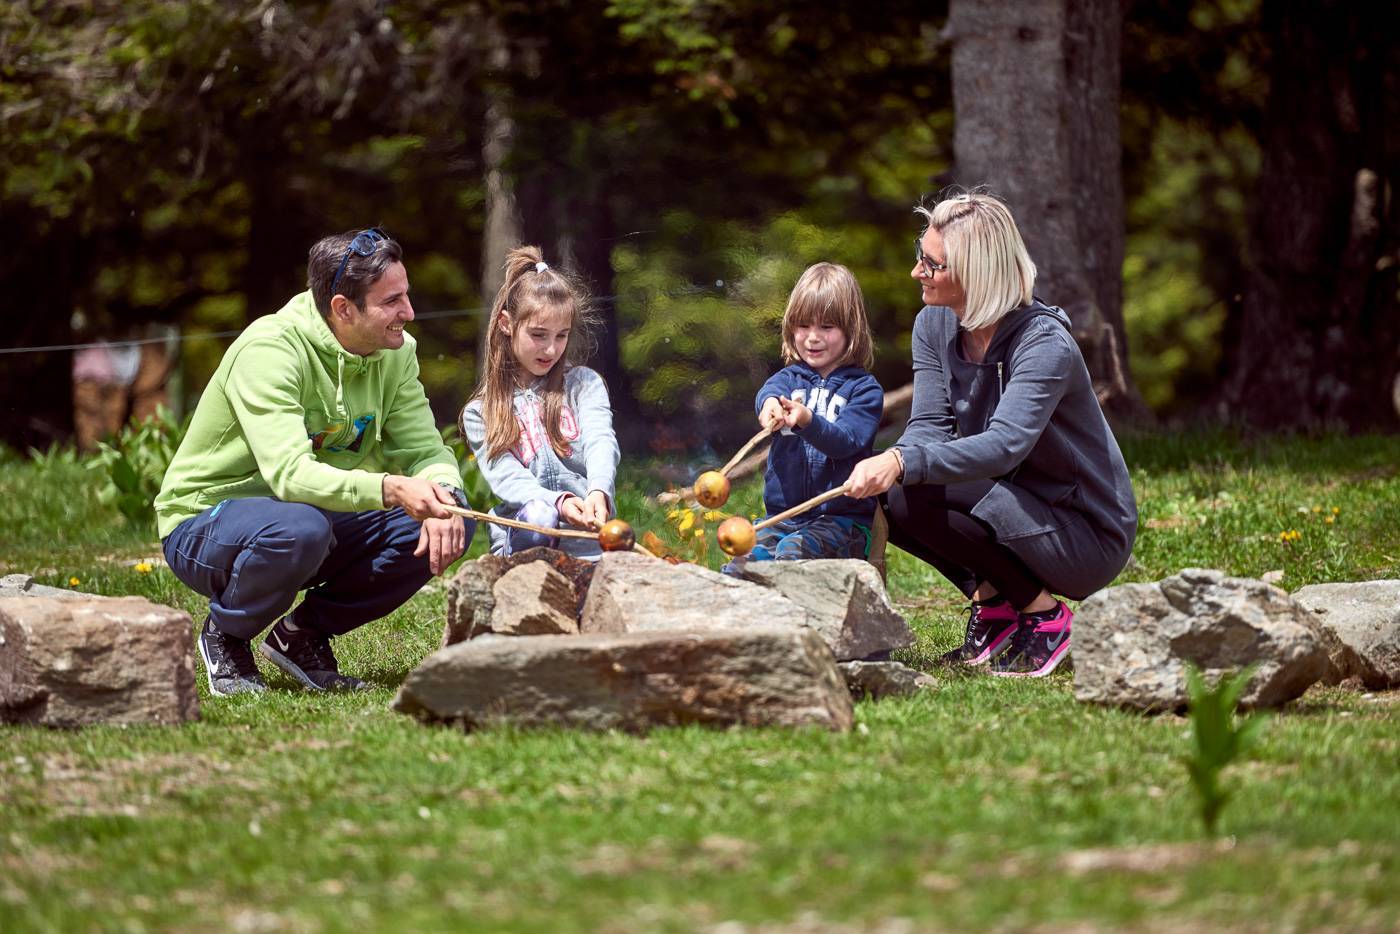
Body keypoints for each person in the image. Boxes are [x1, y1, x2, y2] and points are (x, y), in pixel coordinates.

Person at [155, 228, 474, 697]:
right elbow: (289, 475)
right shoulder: (269, 350)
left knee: (442, 524)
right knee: (298, 529)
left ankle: (302, 635)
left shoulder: (396, 352)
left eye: (406, 295)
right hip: (205, 521)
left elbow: (425, 451)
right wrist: (390, 488)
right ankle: (227, 635)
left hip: (311, 518)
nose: (408, 313)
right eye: (392, 302)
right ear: (343, 308)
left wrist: (446, 496)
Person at [846, 191, 1137, 677]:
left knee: (909, 474)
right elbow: (929, 427)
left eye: (930, 264)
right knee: (896, 496)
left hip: (1083, 533)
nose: (917, 272)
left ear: (975, 273)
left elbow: (1005, 446)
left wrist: (901, 463)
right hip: (1015, 502)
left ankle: (1045, 619)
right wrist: (894, 464)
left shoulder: (1045, 345)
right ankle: (997, 608)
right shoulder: (935, 324)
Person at [460, 245, 620, 559]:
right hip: (526, 538)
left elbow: (601, 441)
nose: (550, 350)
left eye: (561, 336)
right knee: (539, 515)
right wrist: (558, 502)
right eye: (539, 334)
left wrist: (599, 491)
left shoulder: (584, 384)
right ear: (506, 324)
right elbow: (507, 479)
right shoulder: (481, 412)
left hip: (590, 540)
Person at [725, 262, 884, 573]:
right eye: (803, 326)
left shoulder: (865, 390)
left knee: (792, 554)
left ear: (851, 329)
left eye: (826, 327)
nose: (813, 337)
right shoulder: (787, 379)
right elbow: (767, 394)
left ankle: (796, 620)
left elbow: (846, 441)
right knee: (742, 563)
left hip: (842, 523)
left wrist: (808, 421)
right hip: (783, 517)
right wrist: (770, 404)